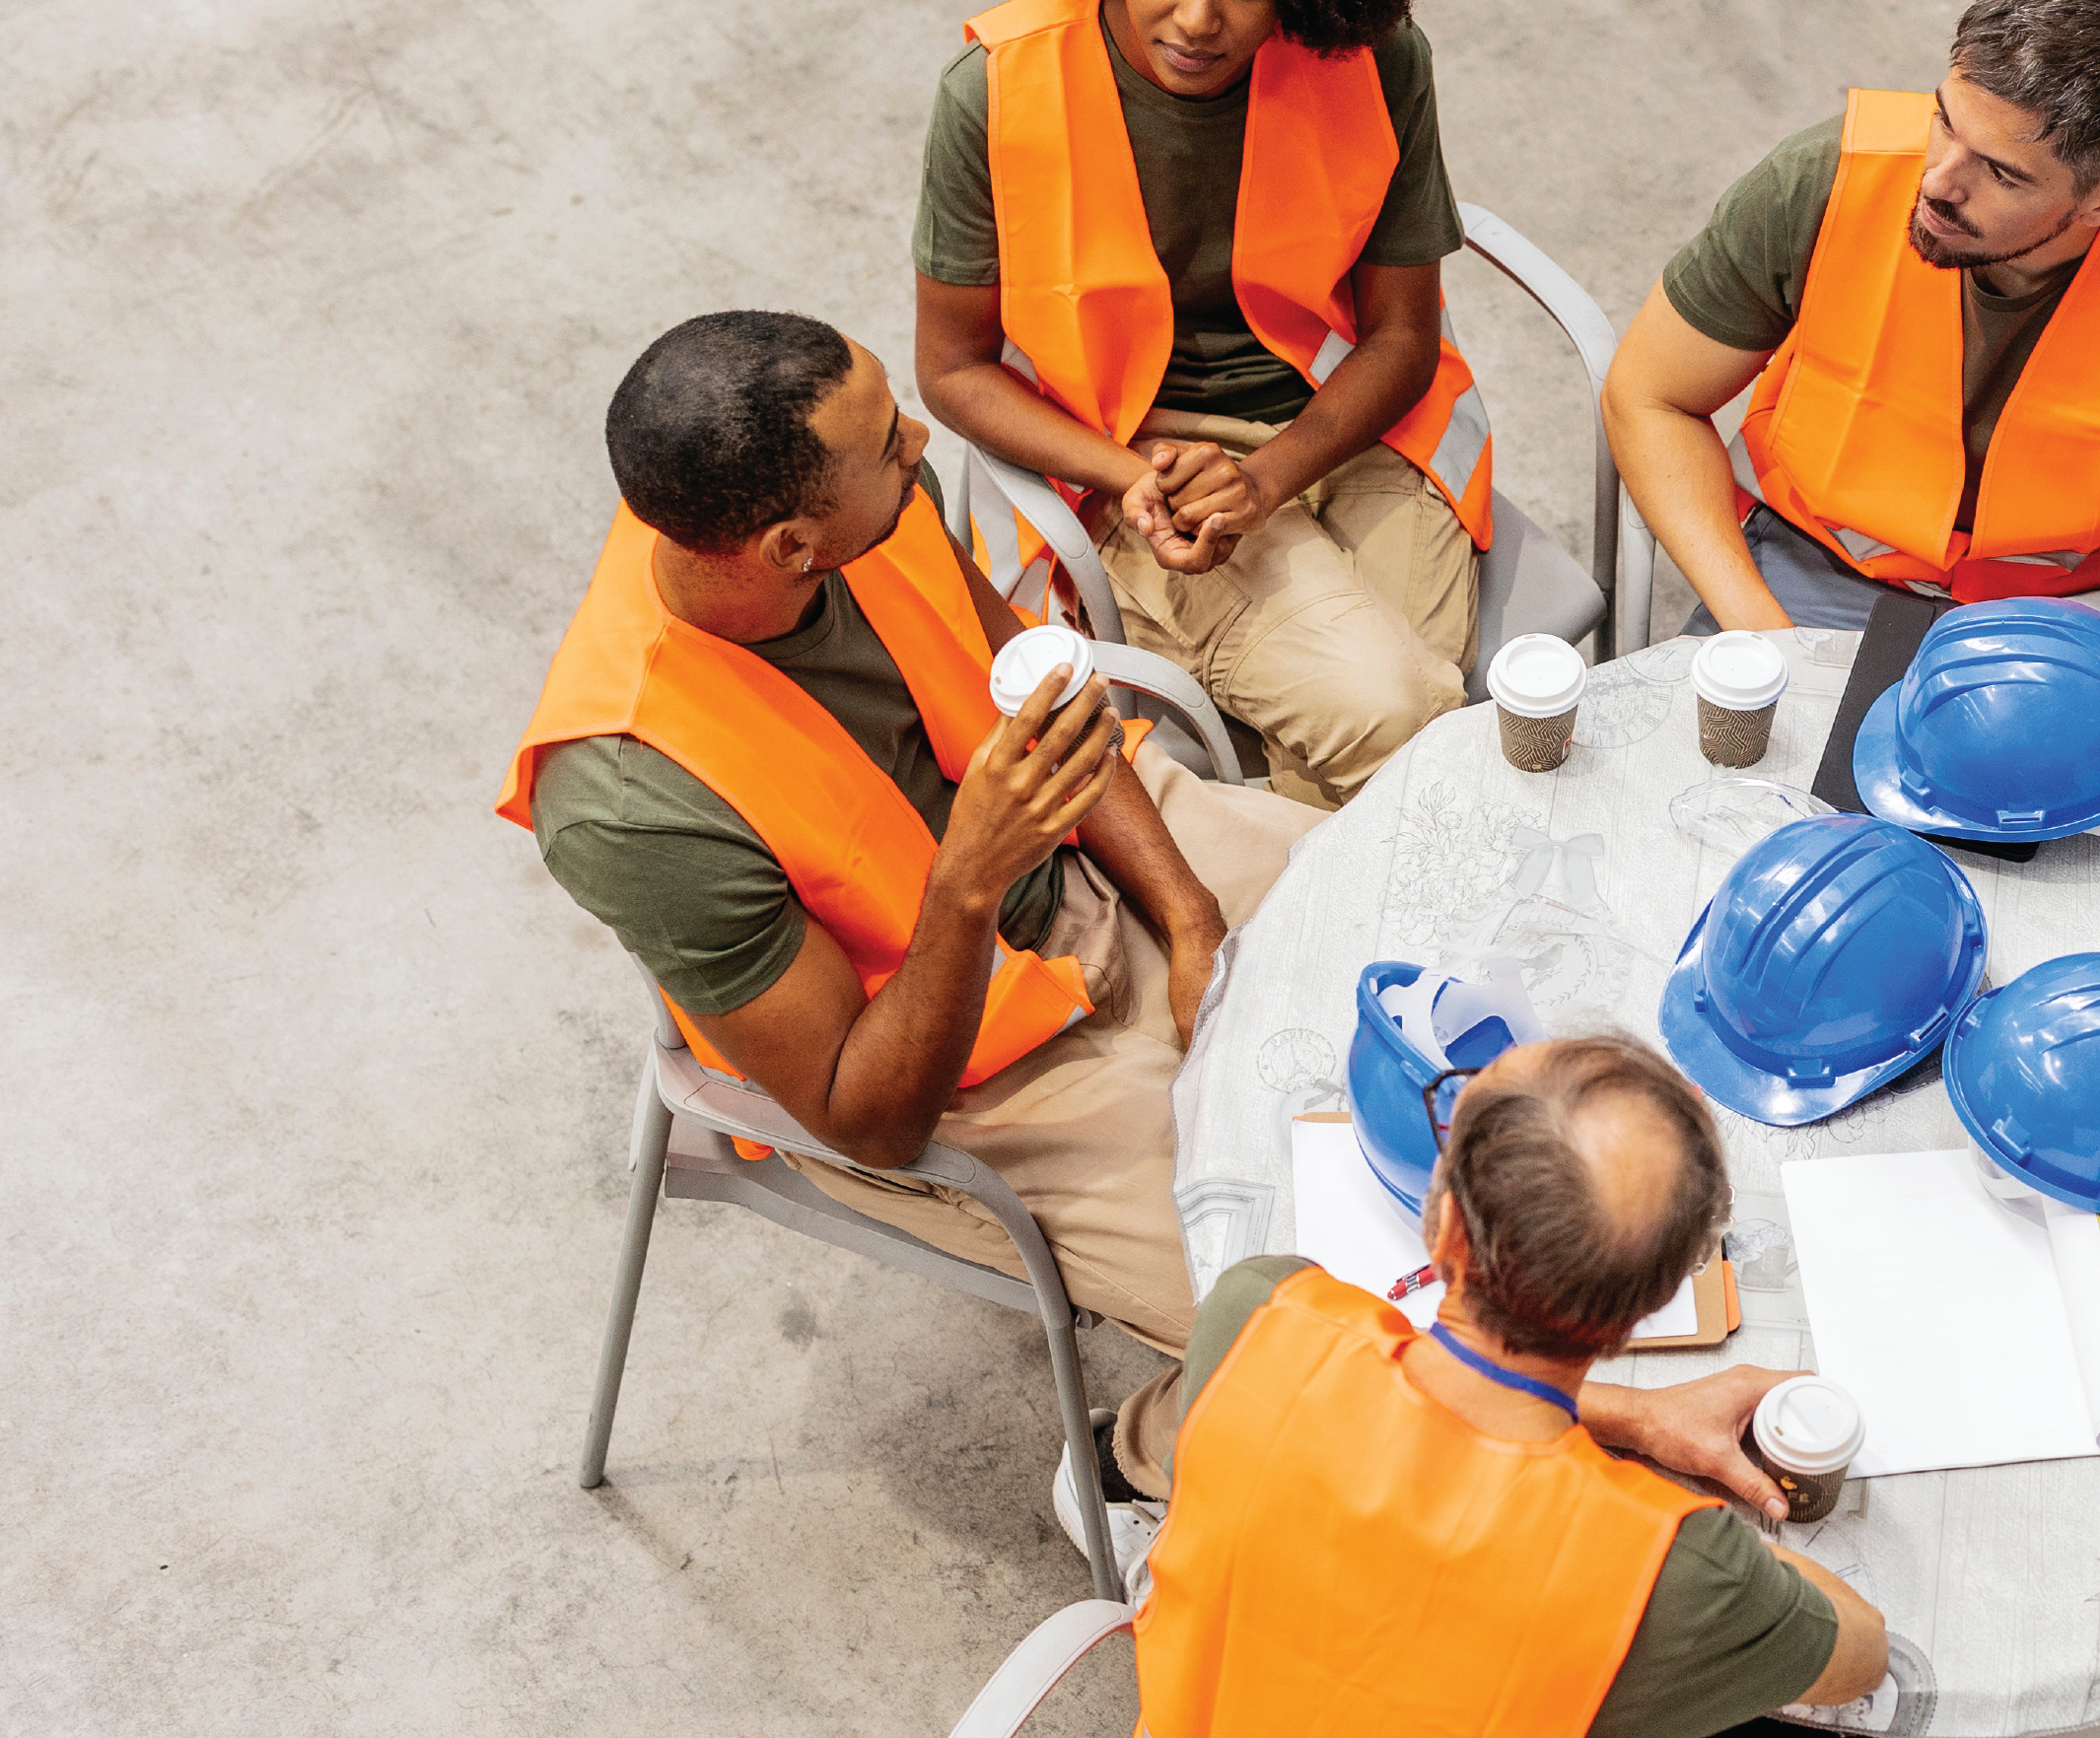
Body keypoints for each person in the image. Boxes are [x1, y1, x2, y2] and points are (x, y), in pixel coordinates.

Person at [501, 310, 1324, 1567]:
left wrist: (1192, 912)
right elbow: (865, 1116)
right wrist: (969, 881)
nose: (923, 439)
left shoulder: (867, 500)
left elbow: (1017, 671)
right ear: (792, 546)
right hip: (973, 1069)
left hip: (1087, 839)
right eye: (892, 442)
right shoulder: (627, 794)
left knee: (1443, 939)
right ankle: (1138, 1460)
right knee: (1318, 1293)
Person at [918, 0, 1487, 806]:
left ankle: (1280, 946)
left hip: (1353, 430)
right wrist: (1142, 480)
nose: (1196, 17)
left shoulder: (1371, 58)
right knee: (1402, 718)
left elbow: (1403, 335)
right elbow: (951, 368)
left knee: (1397, 737)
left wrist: (1268, 476)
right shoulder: (998, 91)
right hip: (1146, 460)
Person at [1600, 0, 2100, 702]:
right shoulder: (1820, 183)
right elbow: (1650, 397)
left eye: (2001, 173)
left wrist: (2073, 704)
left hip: (2084, 623)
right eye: (1944, 121)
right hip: (1822, 569)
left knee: (2024, 817)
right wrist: (1767, 639)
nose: (1938, 181)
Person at [1149, 1035, 1890, 1737]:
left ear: (1440, 1236)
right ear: (1645, 1312)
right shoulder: (1670, 1570)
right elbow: (1861, 1656)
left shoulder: (1259, 1307)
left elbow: (1451, 1391)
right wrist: (1708, 1545)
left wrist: (1638, 1422)